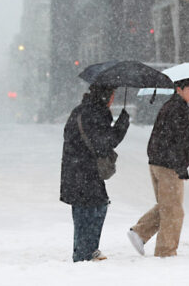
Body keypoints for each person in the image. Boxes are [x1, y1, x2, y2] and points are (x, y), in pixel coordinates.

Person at [128, 77, 189, 257]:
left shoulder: (173, 106)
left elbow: (176, 133)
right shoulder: (177, 108)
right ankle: (166, 252)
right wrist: (180, 166)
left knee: (167, 205)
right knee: (173, 211)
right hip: (168, 165)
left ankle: (139, 233)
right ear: (178, 89)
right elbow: (176, 139)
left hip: (159, 162)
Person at [60, 84, 130, 262]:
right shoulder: (96, 113)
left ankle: (87, 250)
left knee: (90, 207)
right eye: (112, 95)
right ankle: (84, 254)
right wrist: (121, 125)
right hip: (85, 171)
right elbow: (104, 144)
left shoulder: (81, 110)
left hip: (75, 170)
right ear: (105, 96)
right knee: (92, 209)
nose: (113, 99)